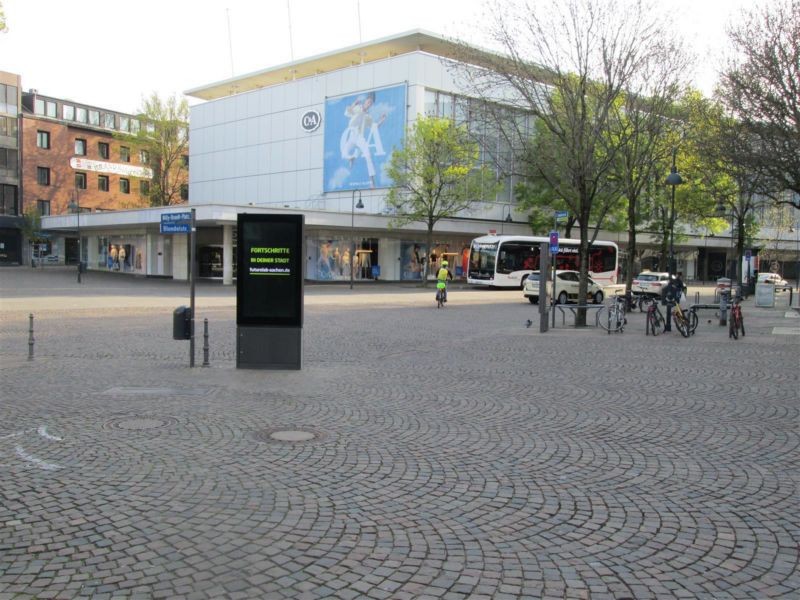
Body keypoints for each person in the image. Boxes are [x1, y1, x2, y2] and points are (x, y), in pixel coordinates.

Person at [341, 92, 386, 189]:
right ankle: (351, 158)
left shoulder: (368, 117)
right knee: (344, 153)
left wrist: (382, 120)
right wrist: (354, 104)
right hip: (352, 135)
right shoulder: (357, 108)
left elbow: (374, 127)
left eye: (371, 103)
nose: (369, 104)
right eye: (368, 102)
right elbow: (347, 112)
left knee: (368, 155)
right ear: (365, 101)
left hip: (360, 138)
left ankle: (372, 182)